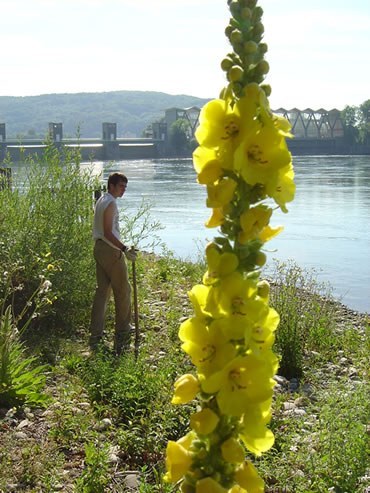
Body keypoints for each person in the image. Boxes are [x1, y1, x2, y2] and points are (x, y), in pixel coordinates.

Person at [89, 172, 137, 354]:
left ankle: (96, 333)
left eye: (125, 186)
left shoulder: (101, 200)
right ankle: (123, 329)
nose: (123, 190)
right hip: (110, 250)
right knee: (123, 290)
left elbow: (102, 231)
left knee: (102, 291)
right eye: (121, 186)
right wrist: (124, 248)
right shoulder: (111, 204)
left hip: (99, 248)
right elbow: (109, 232)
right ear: (111, 186)